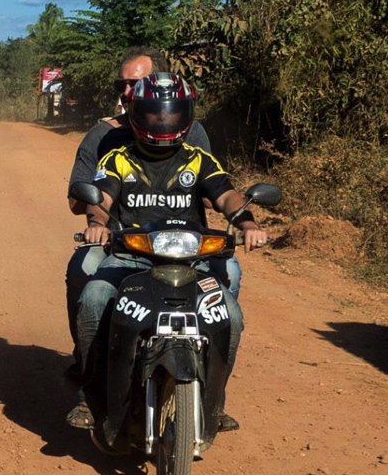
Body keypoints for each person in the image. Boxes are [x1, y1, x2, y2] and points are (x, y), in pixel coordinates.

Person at [70, 73, 269, 431]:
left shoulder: (198, 160)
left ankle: (214, 402)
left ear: (187, 116)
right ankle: (92, 395)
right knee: (95, 297)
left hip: (191, 260)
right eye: (154, 114)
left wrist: (248, 225)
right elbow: (101, 201)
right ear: (135, 113)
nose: (163, 122)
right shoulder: (118, 159)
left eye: (172, 114)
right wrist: (97, 224)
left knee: (232, 316)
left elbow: (226, 195)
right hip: (131, 258)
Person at [63, 49, 232, 385]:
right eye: (121, 84)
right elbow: (78, 199)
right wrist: (98, 222)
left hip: (183, 243)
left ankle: (211, 380)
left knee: (232, 275)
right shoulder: (105, 136)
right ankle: (89, 366)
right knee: (83, 273)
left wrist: (242, 217)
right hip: (120, 242)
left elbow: (214, 193)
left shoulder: (192, 134)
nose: (127, 92)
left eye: (135, 83)